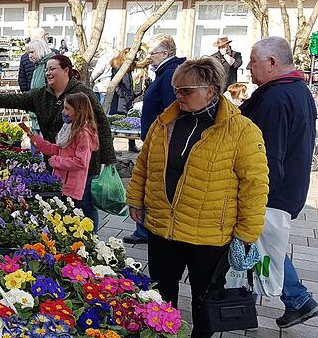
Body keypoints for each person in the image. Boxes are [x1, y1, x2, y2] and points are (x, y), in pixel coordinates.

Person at [126, 57, 269, 338]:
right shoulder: (164, 123)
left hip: (209, 234)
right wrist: (136, 198)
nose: (179, 95)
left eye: (186, 90)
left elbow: (255, 186)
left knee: (204, 301)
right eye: (176, 89)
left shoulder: (242, 131)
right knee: (160, 294)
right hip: (162, 227)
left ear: (212, 90)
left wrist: (246, 234)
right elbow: (145, 163)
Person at [0, 54, 117, 230]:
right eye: (46, 70)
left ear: (66, 70)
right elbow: (15, 99)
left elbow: (102, 123)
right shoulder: (41, 94)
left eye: (52, 69)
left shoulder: (82, 93)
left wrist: (109, 159)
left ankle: (91, 240)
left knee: (85, 203)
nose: (48, 73)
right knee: (63, 201)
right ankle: (70, 234)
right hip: (57, 157)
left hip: (83, 162)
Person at [239, 36, 318, 329]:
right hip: (288, 186)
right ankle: (296, 300)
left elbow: (266, 154)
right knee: (268, 244)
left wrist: (255, 194)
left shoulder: (274, 98)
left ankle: (297, 300)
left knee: (263, 245)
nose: (248, 67)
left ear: (272, 63)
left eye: (253, 61)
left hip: (272, 190)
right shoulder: (297, 89)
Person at [123, 34, 185, 245]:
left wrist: (163, 139)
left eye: (153, 53)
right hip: (155, 137)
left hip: (161, 141)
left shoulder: (169, 75)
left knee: (153, 183)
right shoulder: (164, 72)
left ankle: (146, 229)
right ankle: (146, 228)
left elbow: (171, 109)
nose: (149, 57)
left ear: (166, 53)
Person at [19, 92, 100, 201]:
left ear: (79, 111)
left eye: (67, 109)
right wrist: (33, 137)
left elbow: (81, 162)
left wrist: (56, 161)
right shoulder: (68, 128)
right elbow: (56, 149)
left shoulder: (83, 134)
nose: (63, 112)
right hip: (61, 184)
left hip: (71, 189)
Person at [109, 48, 139, 153]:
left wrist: (132, 95)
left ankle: (132, 145)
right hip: (119, 101)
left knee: (130, 121)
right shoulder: (118, 68)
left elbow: (129, 85)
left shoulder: (128, 69)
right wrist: (123, 95)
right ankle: (109, 147)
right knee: (114, 123)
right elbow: (114, 84)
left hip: (127, 100)